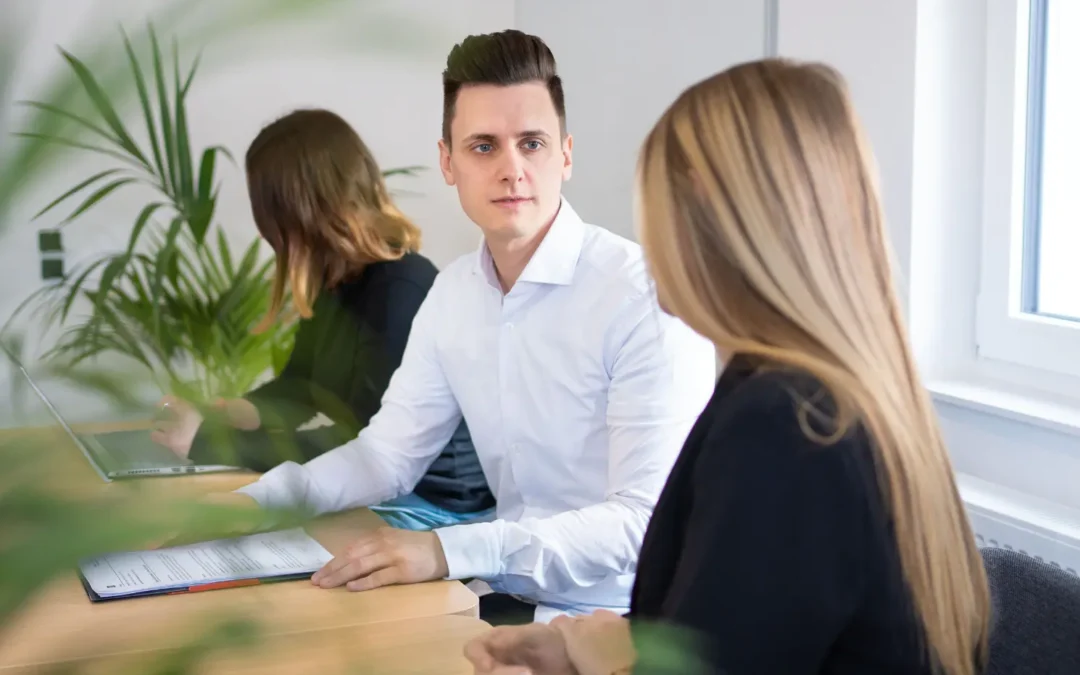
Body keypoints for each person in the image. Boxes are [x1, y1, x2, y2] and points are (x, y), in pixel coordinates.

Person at [464, 59, 991, 674]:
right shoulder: (820, 394)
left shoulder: (786, 427)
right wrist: (579, 649)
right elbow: (748, 620)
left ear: (713, 217)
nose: (647, 238)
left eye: (655, 207)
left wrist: (607, 661)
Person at [211, 30, 717, 623]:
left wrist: (445, 550)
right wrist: (256, 502)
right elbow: (387, 456)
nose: (512, 169)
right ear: (448, 162)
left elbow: (642, 520)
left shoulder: (642, 297)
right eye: (483, 147)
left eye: (532, 143)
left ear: (566, 154)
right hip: (504, 598)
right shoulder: (453, 293)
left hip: (625, 620)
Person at [150, 108, 495, 531]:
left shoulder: (401, 290)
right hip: (380, 488)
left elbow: (365, 448)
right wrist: (233, 413)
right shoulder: (337, 281)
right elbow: (301, 387)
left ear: (299, 208)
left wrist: (208, 444)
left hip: (434, 504)